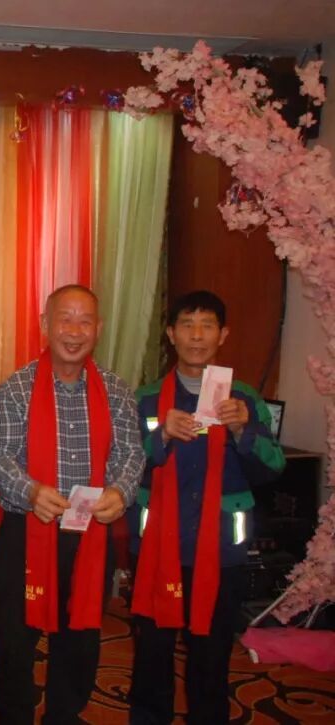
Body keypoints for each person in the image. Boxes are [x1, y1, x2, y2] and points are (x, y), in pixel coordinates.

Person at [0, 284, 145, 725]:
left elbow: (131, 453)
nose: (74, 331)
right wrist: (31, 491)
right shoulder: (16, 388)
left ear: (99, 328)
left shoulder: (115, 390)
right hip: (26, 533)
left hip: (89, 537)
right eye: (65, 319)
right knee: (14, 642)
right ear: (45, 324)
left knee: (80, 641)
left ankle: (64, 714)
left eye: (85, 321)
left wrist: (120, 492)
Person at [127, 290, 285, 724]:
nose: (197, 336)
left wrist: (243, 433)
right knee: (152, 651)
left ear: (223, 334)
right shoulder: (146, 399)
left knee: (212, 654)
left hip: (221, 550)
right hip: (157, 547)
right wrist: (159, 437)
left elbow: (273, 468)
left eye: (207, 325)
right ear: (171, 334)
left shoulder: (245, 400)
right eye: (187, 325)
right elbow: (123, 468)